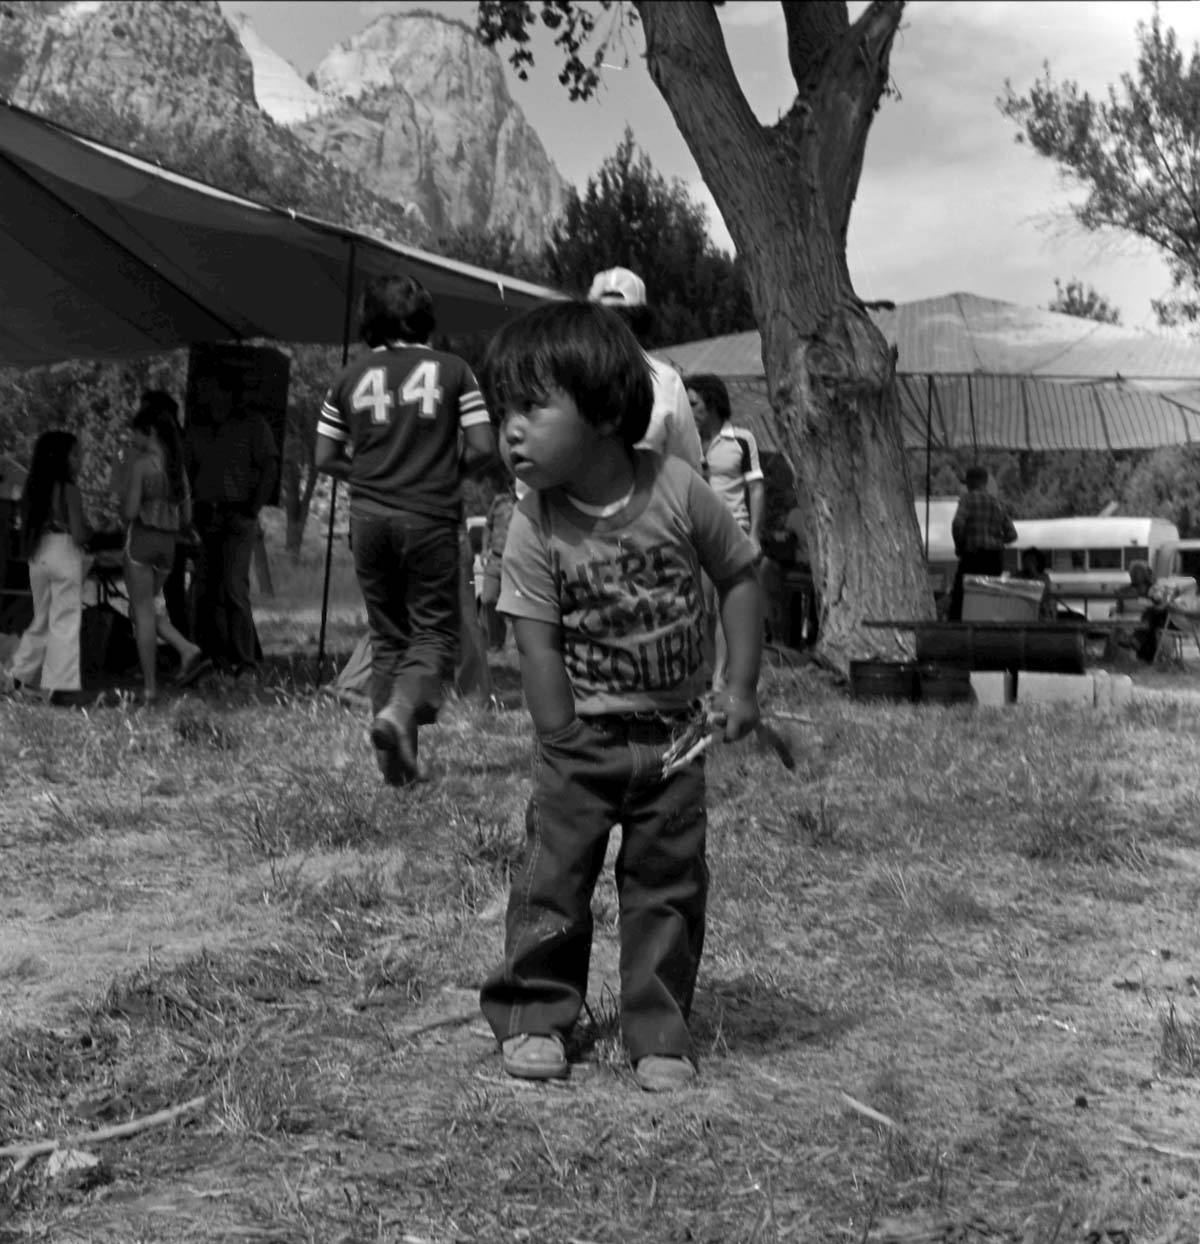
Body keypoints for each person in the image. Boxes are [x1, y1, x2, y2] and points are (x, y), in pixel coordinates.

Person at [476, 300, 763, 1093]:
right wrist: (559, 732)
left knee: (668, 889)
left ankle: (659, 1028)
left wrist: (738, 684)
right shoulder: (533, 525)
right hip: (580, 748)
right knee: (552, 885)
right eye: (504, 412)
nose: (510, 431)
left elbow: (739, 575)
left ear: (604, 409)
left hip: (675, 741)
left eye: (531, 408)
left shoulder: (678, 490)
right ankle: (536, 1014)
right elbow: (535, 640)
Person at [314, 273, 497, 786]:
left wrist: (372, 475)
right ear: (426, 320)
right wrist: (443, 472)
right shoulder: (453, 371)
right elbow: (484, 447)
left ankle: (397, 767)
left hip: (368, 519)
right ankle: (397, 716)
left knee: (388, 637)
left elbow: (325, 456)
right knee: (436, 632)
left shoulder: (348, 377)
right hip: (430, 517)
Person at [185, 386, 279, 681]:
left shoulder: (252, 424)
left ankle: (245, 662)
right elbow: (186, 469)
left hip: (238, 514)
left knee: (234, 587)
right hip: (206, 515)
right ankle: (207, 656)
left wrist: (253, 507)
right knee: (203, 588)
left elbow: (269, 466)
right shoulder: (198, 429)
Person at [122, 402, 211, 704]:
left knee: (143, 613)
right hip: (168, 548)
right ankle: (186, 649)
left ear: (150, 433)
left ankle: (149, 687)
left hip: (141, 544)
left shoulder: (142, 466)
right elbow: (186, 517)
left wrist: (126, 506)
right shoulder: (177, 470)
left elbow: (131, 510)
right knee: (144, 609)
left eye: (135, 434)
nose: (133, 440)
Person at [686, 373, 765, 689]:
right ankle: (706, 669)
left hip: (733, 530)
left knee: (726, 606)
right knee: (699, 609)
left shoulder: (742, 439)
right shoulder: (685, 441)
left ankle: (720, 676)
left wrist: (755, 535)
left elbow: (756, 488)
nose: (688, 410)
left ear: (712, 404)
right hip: (695, 533)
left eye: (693, 403)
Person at [587, 267, 703, 472]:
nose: (610, 326)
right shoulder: (567, 378)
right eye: (601, 317)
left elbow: (689, 469)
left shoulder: (666, 383)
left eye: (621, 316)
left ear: (637, 321)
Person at [6, 430, 88, 705]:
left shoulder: (34, 491)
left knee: (41, 619)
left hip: (39, 553)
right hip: (64, 550)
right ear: (61, 459)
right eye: (76, 454)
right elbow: (78, 534)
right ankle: (60, 687)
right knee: (64, 620)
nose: (81, 460)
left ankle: (18, 676)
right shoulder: (70, 491)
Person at [948, 465, 1018, 621]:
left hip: (973, 557)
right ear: (986, 482)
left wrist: (960, 546)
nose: (966, 486)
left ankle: (957, 633)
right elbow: (1012, 535)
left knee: (962, 597)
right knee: (989, 598)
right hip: (994, 559)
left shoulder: (968, 499)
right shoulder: (997, 503)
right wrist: (996, 540)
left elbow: (957, 524)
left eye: (967, 483)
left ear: (972, 482)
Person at [1111, 558, 1174, 662]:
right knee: (1148, 621)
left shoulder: (1153, 588)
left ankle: (1137, 643)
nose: (1134, 575)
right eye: (1132, 573)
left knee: (1149, 618)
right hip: (1146, 619)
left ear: (1144, 574)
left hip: (1155, 618)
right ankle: (1139, 648)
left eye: (1137, 572)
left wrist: (1155, 598)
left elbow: (1161, 603)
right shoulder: (1126, 589)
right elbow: (1119, 606)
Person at [1012, 545, 1056, 620]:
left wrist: (1033, 572)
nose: (1028, 563)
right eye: (1026, 560)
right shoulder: (1018, 575)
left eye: (1032, 560)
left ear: (1038, 562)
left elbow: (1043, 589)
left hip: (1040, 612)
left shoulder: (1043, 577)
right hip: (1020, 610)